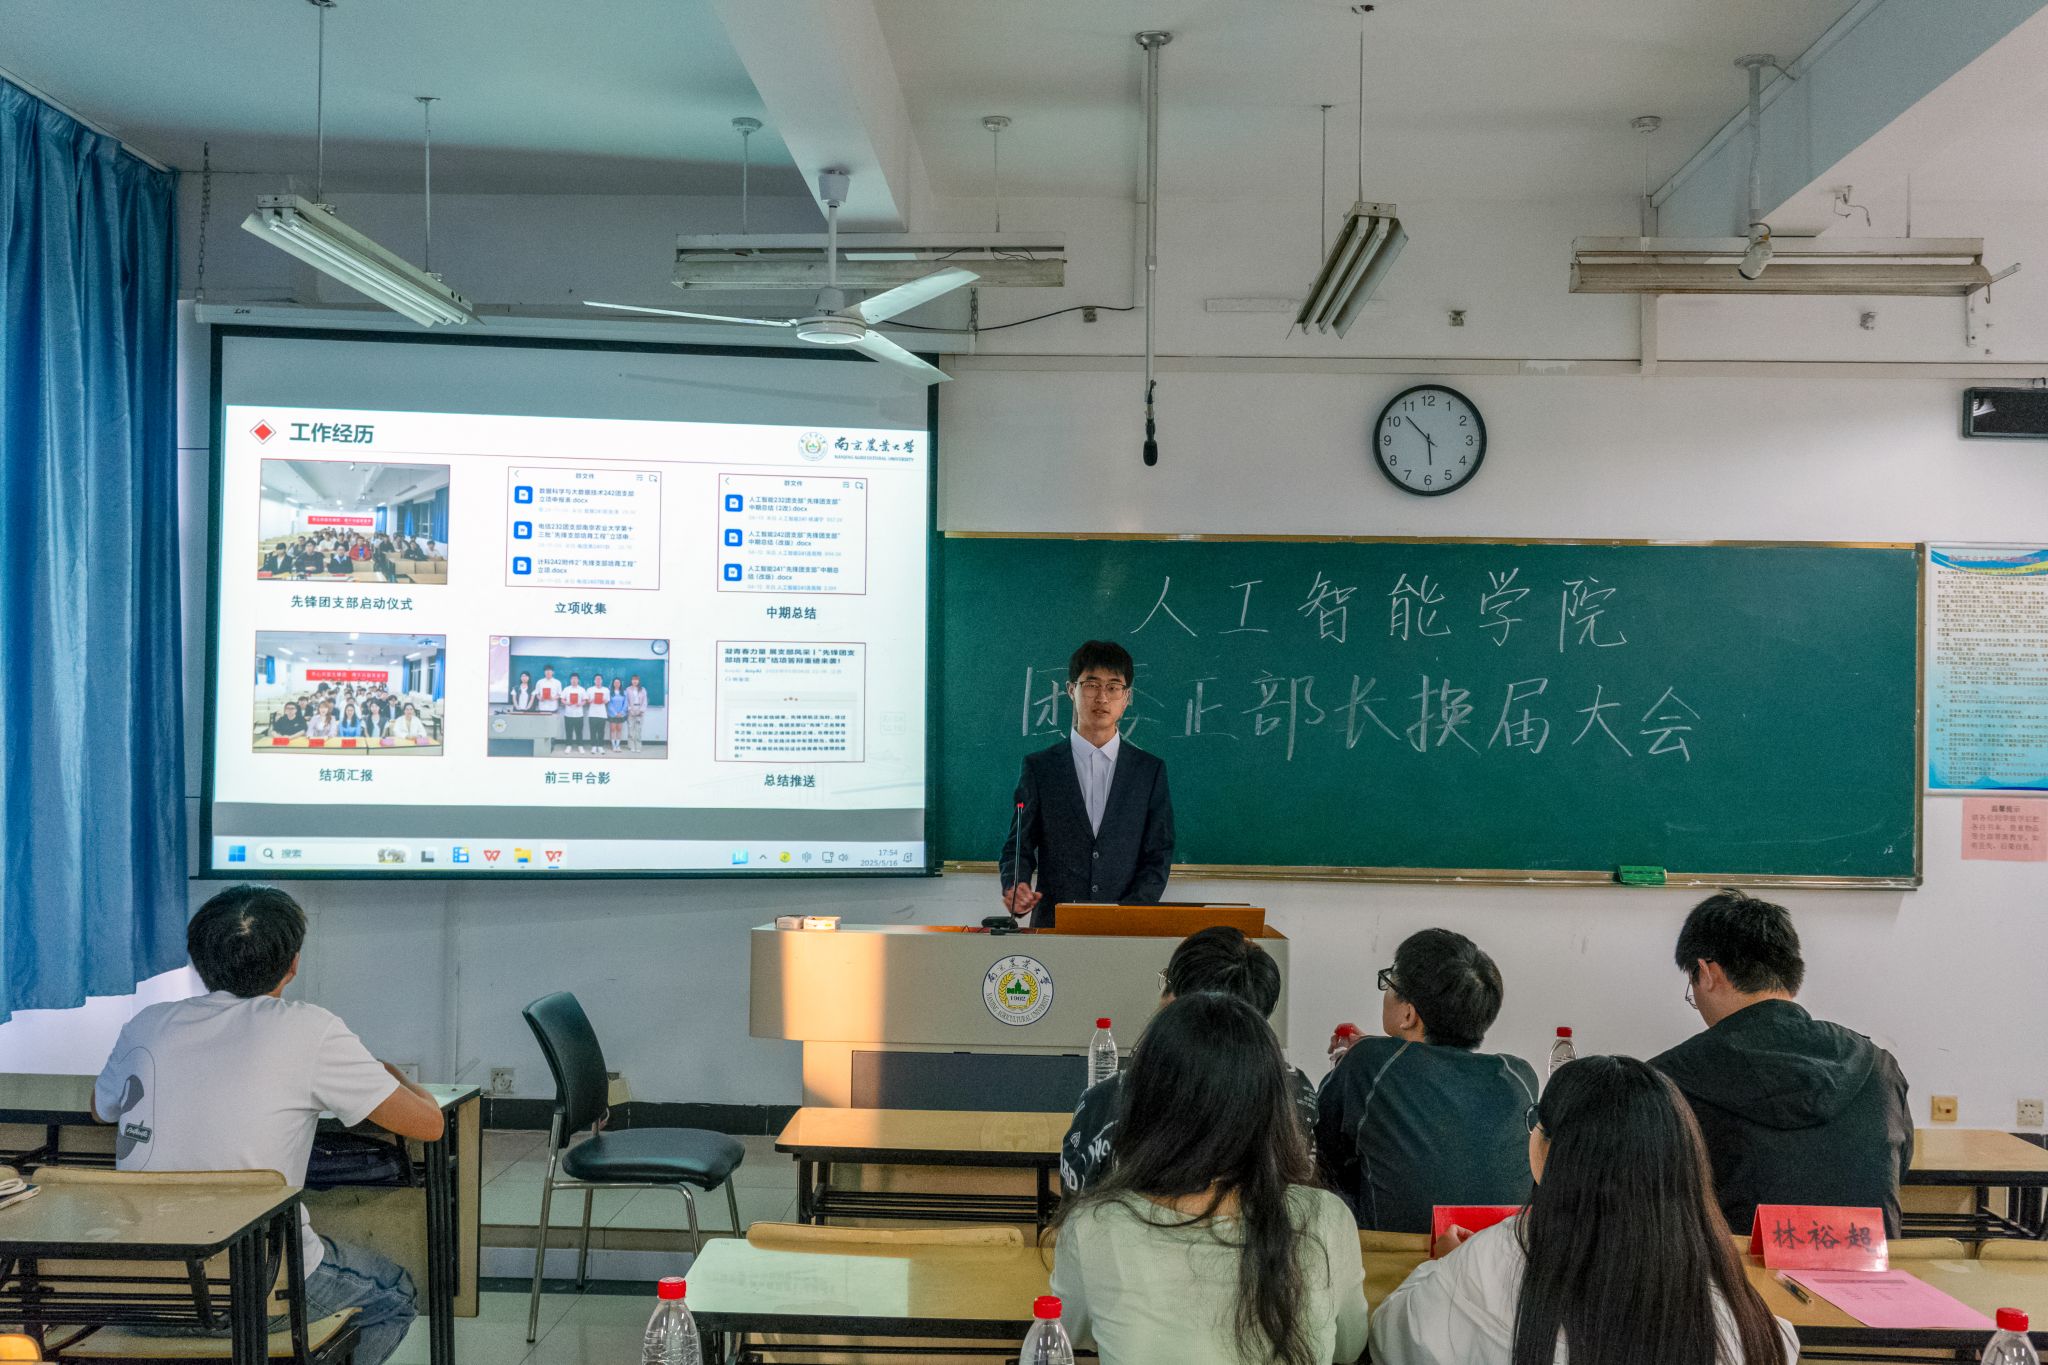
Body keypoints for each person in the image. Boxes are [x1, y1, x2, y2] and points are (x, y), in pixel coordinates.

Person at [92, 885, 445, 1365]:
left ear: (197, 960)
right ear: (292, 964)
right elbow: (428, 1125)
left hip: (134, 1288)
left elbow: (102, 1109)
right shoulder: (311, 1029)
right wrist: (394, 1076)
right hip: (254, 1287)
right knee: (395, 1296)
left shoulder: (147, 1023)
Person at [1368, 1055, 1797, 1365]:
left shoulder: (1488, 1261)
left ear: (1547, 1152)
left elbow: (1392, 1339)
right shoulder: (1737, 1312)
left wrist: (1441, 1269)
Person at [1049, 993, 1368, 1365]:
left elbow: (1069, 1332)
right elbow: (1349, 1346)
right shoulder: (1326, 1217)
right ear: (1274, 1106)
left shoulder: (1094, 1225)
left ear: (1143, 1101)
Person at [1652, 888, 1912, 1237]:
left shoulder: (1667, 1081)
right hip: (1870, 1270)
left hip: (1733, 1270)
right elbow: (1894, 1169)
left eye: (1693, 987)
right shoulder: (1879, 1068)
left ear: (1708, 973)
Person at [1063, 925, 1316, 1193]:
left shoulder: (1107, 1101)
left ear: (1178, 1005)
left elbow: (1075, 1209)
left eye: (1168, 981)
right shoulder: (1296, 1092)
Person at [1316, 928, 1539, 1232]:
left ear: (1409, 1015)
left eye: (1390, 982)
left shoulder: (1368, 1063)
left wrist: (1359, 1063)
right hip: (1495, 1253)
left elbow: (1320, 1153)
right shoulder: (1519, 1077)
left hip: (1389, 1254)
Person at [998, 640, 1175, 928]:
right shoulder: (1040, 768)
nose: (1102, 697)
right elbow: (1019, 846)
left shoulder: (1149, 771)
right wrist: (1016, 885)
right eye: (1091, 685)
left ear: (1126, 697)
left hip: (1125, 930)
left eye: (1113, 687)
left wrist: (1128, 913)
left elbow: (1159, 853)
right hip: (1054, 926)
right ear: (1071, 690)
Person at [562, 673, 587, 753]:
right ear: (570, 680)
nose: (574, 680)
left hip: (579, 714)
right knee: (568, 731)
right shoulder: (566, 689)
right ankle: (568, 746)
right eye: (572, 678)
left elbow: (585, 700)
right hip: (568, 714)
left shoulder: (582, 689)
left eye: (575, 678)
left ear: (578, 680)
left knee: (579, 731)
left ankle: (580, 746)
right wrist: (566, 703)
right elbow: (562, 699)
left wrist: (580, 704)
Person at [625, 674, 649, 753]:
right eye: (633, 679)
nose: (635, 681)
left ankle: (638, 746)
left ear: (638, 681)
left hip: (640, 710)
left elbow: (645, 701)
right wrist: (629, 710)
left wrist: (641, 711)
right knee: (630, 729)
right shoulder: (628, 689)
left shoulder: (643, 689)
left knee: (638, 730)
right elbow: (626, 701)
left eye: (636, 680)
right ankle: (631, 746)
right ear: (631, 681)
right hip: (631, 711)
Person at [587, 676, 611, 752]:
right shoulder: (590, 689)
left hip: (602, 713)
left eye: (599, 679)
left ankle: (600, 746)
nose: (598, 680)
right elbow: (587, 701)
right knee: (593, 730)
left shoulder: (606, 690)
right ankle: (593, 746)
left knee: (601, 731)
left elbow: (607, 700)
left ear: (602, 680)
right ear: (594, 680)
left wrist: (604, 701)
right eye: (596, 679)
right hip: (592, 713)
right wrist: (591, 700)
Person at [605, 676, 628, 752]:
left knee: (619, 730)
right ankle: (613, 746)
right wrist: (615, 713)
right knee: (612, 730)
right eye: (615, 682)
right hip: (612, 714)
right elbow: (609, 704)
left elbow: (626, 703)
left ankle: (618, 745)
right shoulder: (610, 692)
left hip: (621, 714)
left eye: (618, 682)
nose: (617, 684)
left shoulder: (624, 692)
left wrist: (621, 712)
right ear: (613, 683)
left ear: (620, 683)